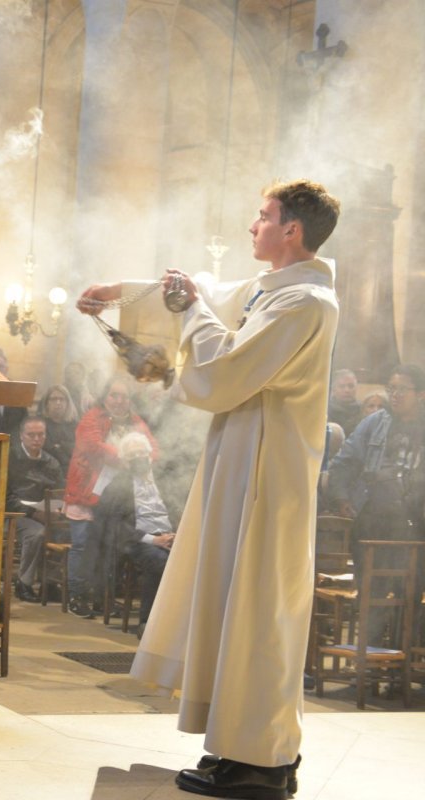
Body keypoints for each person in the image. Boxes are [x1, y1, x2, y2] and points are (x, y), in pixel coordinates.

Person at [79, 179, 341, 797]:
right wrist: (122, 292)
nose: (253, 226)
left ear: (292, 230)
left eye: (263, 216)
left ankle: (268, 761)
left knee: (259, 610)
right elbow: (207, 295)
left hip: (269, 476)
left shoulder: (306, 303)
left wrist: (190, 309)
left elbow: (221, 369)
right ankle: (235, 746)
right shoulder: (272, 290)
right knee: (232, 604)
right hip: (240, 463)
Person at [326, 363, 425, 645]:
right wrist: (342, 497)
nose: (394, 395)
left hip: (416, 526)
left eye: (402, 390)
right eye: (391, 389)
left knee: (411, 594)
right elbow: (344, 462)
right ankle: (366, 664)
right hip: (374, 523)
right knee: (373, 593)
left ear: (421, 394)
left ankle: (399, 666)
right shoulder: (375, 422)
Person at [63, 375, 158, 617]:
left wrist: (145, 458)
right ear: (105, 397)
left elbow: (153, 448)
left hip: (116, 496)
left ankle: (100, 597)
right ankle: (76, 596)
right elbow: (94, 446)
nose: (119, 400)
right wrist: (129, 457)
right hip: (87, 490)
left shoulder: (135, 421)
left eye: (124, 396)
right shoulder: (91, 418)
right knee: (83, 546)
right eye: (114, 395)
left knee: (107, 547)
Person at [90, 432, 175, 636]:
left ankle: (180, 622)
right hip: (139, 541)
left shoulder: (165, 481)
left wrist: (177, 534)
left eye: (142, 453)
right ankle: (148, 623)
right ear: (125, 462)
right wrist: (155, 540)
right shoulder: (118, 487)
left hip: (172, 535)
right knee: (160, 561)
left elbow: (181, 509)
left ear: (150, 454)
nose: (139, 458)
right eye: (132, 456)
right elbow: (117, 527)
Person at [5, 418, 64, 602]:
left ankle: (51, 584)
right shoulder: (10, 458)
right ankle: (24, 583)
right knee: (36, 533)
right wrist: (33, 513)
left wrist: (58, 509)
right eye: (31, 435)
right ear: (22, 435)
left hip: (44, 512)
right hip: (15, 514)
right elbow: (4, 496)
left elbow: (60, 492)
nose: (36, 439)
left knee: (64, 532)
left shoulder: (51, 462)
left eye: (41, 435)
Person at [36, 384, 78, 477]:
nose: (58, 402)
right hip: (46, 472)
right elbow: (46, 450)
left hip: (72, 472)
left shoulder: (75, 425)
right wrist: (66, 447)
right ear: (47, 403)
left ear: (67, 403)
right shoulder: (39, 424)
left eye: (62, 399)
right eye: (54, 399)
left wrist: (60, 445)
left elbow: (79, 449)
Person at [328, 368, 363, 436]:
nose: (347, 390)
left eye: (351, 386)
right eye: (342, 386)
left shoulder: (363, 409)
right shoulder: (325, 410)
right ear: (333, 389)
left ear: (356, 388)